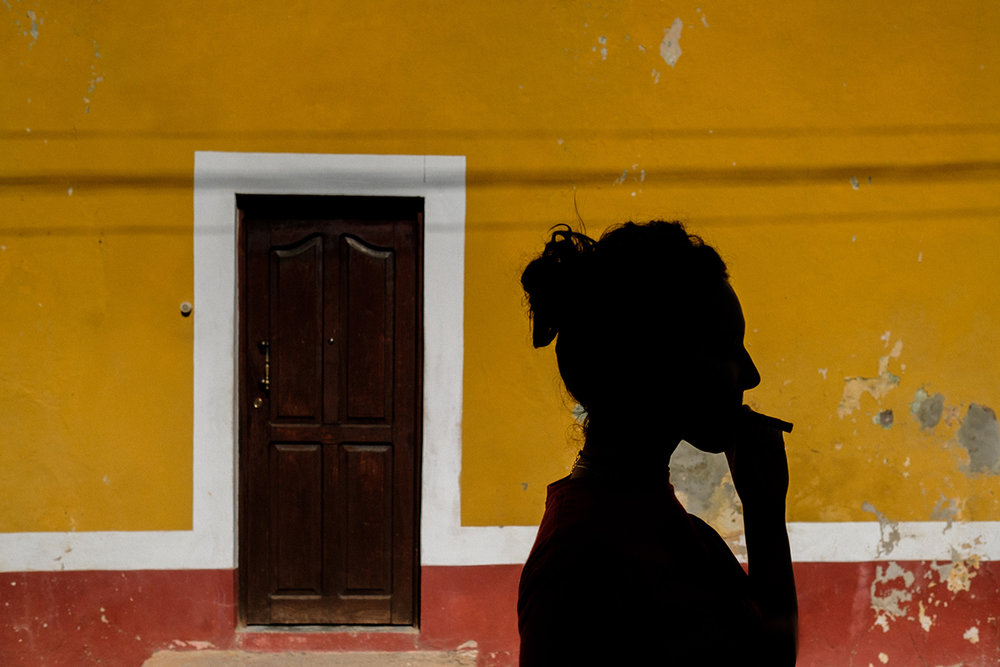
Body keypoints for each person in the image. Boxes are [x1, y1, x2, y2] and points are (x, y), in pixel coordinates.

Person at [516, 221, 797, 665]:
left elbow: (767, 654)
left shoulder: (663, 526)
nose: (750, 374)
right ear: (656, 361)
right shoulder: (580, 562)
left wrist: (764, 514)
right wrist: (764, 518)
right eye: (727, 348)